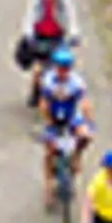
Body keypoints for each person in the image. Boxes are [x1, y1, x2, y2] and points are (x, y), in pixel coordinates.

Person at [36, 44, 95, 208]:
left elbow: (84, 103)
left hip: (72, 118)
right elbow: (43, 103)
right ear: (55, 67)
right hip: (54, 118)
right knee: (49, 151)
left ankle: (76, 155)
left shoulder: (77, 82)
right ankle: (48, 188)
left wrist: (88, 122)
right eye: (61, 67)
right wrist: (48, 121)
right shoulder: (48, 80)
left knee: (86, 136)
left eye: (66, 68)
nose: (63, 71)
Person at [16, 0, 79, 100]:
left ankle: (60, 93)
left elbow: (71, 16)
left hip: (56, 37)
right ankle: (35, 91)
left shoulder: (64, 1)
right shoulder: (37, 1)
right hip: (40, 37)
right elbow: (30, 17)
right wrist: (28, 34)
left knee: (60, 65)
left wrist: (74, 33)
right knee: (38, 68)